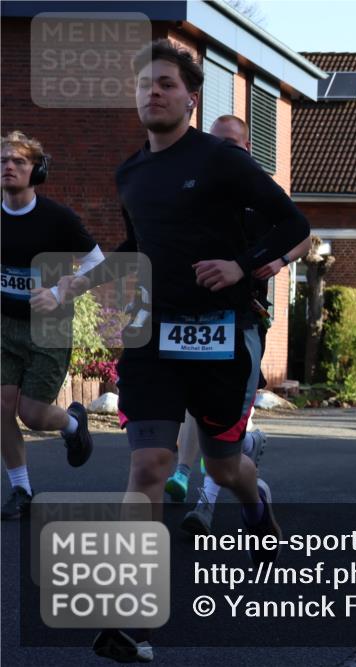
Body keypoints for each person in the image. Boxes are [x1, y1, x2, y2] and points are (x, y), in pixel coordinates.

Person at [69, 40, 309, 662]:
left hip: (220, 335)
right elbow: (136, 243)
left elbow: (294, 227)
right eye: (146, 83)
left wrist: (241, 266)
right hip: (152, 333)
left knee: (226, 469)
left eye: (167, 84)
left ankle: (257, 503)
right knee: (149, 467)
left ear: (190, 99)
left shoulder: (222, 161)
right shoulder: (130, 172)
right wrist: (79, 281)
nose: (154, 91)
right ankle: (131, 616)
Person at [168, 114, 307, 532]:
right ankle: (188, 469)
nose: (221, 150)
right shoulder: (191, 189)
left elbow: (300, 230)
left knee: (219, 416)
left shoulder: (257, 190)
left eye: (231, 143)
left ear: (246, 149)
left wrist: (277, 261)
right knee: (196, 406)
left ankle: (206, 503)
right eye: (215, 142)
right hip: (192, 318)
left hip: (244, 316)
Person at [1, 131, 102, 519]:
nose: (9, 166)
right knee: (1, 408)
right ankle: (22, 490)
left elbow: (97, 264)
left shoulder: (58, 219)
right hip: (4, 325)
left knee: (34, 415)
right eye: (3, 160)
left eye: (19, 161)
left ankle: (73, 424)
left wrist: (61, 293)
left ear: (36, 170)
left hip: (49, 327)